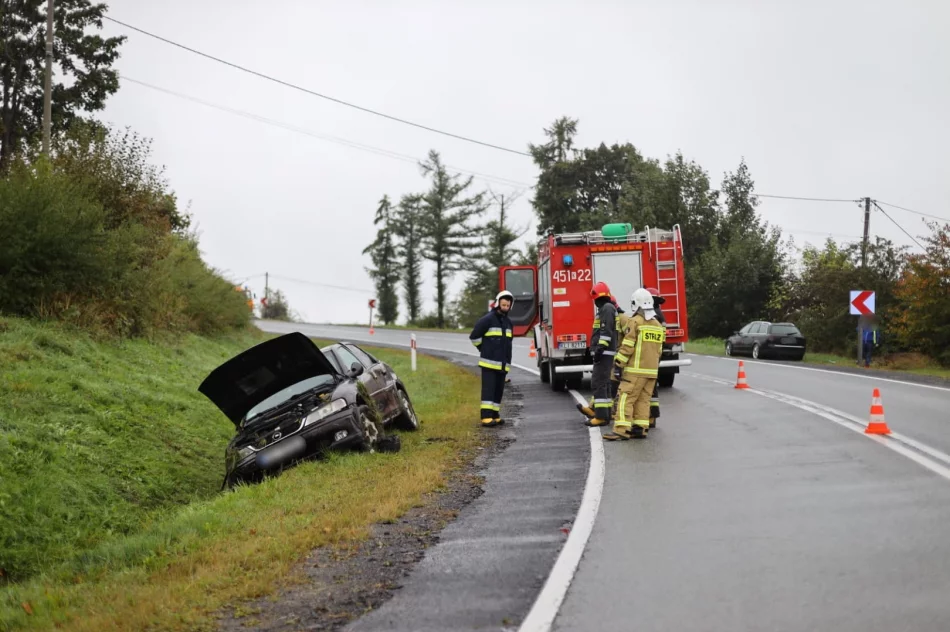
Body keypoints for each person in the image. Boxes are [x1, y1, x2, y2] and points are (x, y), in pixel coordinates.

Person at [605, 288, 665, 441]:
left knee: (625, 397)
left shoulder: (635, 322)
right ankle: (640, 428)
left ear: (636, 303)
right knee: (643, 400)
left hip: (635, 371)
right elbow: (659, 350)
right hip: (651, 372)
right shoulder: (657, 325)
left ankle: (621, 429)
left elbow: (627, 346)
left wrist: (618, 364)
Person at [470, 290, 514, 427]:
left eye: (507, 305)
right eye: (503, 305)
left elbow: (508, 343)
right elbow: (474, 337)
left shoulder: (508, 322)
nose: (505, 307)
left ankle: (495, 415)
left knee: (498, 392)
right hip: (489, 364)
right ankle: (486, 417)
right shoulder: (487, 319)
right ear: (497, 303)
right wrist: (483, 349)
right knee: (488, 391)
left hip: (502, 365)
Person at [578, 282, 618, 427]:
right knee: (604, 383)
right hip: (605, 351)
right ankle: (604, 414)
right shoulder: (607, 308)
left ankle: (601, 417)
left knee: (598, 383)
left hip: (604, 352)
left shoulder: (607, 308)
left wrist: (600, 349)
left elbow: (606, 331)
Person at [644, 287, 665, 428]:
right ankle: (652, 416)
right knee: (652, 384)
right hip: (656, 353)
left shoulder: (654, 315)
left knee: (649, 386)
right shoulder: (660, 315)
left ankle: (651, 416)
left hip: (651, 354)